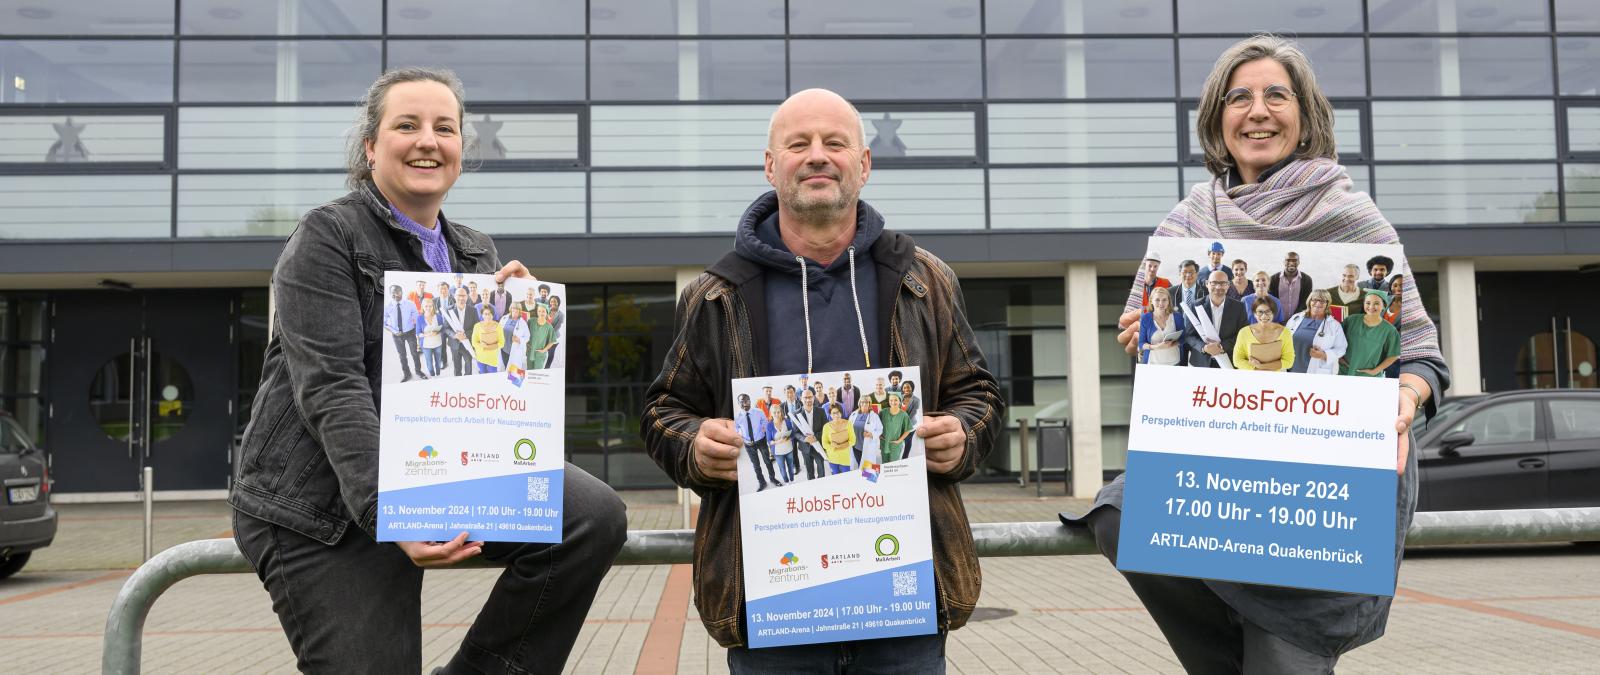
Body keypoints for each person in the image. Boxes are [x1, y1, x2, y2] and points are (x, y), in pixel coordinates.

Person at [229, 67, 626, 675]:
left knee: (591, 516)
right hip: (323, 505)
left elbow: (487, 397)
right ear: (370, 146)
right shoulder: (326, 237)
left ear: (461, 150)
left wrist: (523, 326)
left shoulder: (475, 250)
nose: (428, 141)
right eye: (406, 125)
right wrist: (393, 511)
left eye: (445, 128)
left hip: (438, 471)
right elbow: (333, 388)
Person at [1101, 35, 1450, 672]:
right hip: (1223, 458)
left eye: (1275, 96)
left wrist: (1409, 391)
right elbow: (1154, 341)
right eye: (1239, 98)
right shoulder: (1185, 221)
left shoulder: (1352, 216)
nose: (1257, 110)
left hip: (1322, 478)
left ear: (1304, 114)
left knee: (1282, 657)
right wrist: (1140, 335)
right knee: (1116, 514)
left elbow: (1424, 353)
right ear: (1217, 118)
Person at [640, 88, 1003, 673]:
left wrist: (962, 433)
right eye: (798, 144)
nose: (817, 156)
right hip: (773, 611)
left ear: (864, 164)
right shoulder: (715, 295)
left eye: (835, 143)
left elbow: (978, 394)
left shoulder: (924, 278)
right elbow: (663, 411)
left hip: (902, 605)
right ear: (770, 164)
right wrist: (694, 447)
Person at [1182, 271, 1249, 368]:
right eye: (1214, 283)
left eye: (1223, 283)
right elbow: (1189, 336)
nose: (1218, 287)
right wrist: (1204, 347)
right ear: (1207, 284)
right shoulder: (1195, 306)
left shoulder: (1239, 307)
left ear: (1228, 285)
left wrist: (1222, 346)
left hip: (1228, 361)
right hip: (1201, 363)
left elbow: (1242, 335)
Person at [1341, 288, 1402, 378]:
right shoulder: (1350, 320)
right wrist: (1338, 358)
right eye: (1368, 303)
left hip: (1369, 377)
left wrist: (1375, 371)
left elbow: (1394, 355)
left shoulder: (1390, 330)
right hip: (1344, 371)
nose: (1371, 306)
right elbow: (1335, 339)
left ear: (1384, 306)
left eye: (1376, 303)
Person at [1286, 289, 1347, 375]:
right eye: (1314, 300)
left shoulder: (1334, 325)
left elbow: (1341, 348)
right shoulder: (1296, 318)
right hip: (1291, 368)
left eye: (1322, 301)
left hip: (1316, 371)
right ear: (1309, 301)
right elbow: (1284, 339)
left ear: (1327, 304)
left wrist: (1324, 355)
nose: (1318, 303)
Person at [1234, 297, 1294, 372]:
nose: (1264, 316)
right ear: (1254, 314)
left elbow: (1289, 362)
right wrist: (1257, 369)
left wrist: (1261, 366)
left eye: (1268, 311)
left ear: (1273, 313)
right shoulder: (1244, 332)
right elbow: (1237, 360)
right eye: (1260, 312)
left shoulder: (1285, 332)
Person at [734, 394, 780, 491]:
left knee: (768, 461)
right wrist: (740, 433)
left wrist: (764, 427)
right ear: (738, 403)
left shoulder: (758, 412)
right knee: (756, 465)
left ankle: (773, 478)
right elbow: (736, 428)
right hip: (748, 445)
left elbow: (765, 421)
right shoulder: (737, 417)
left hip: (761, 441)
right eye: (742, 401)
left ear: (750, 401)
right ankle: (762, 482)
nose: (744, 403)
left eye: (746, 400)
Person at [383, 284, 424, 382]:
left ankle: (418, 371)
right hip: (397, 336)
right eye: (392, 293)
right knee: (402, 356)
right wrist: (393, 331)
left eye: (396, 292)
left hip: (410, 332)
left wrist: (416, 327)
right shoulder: (387, 307)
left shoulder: (410, 304)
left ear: (401, 292)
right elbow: (384, 323)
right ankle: (407, 374)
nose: (394, 295)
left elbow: (416, 317)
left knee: (414, 353)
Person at [1139, 285, 1187, 366]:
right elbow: (1141, 343)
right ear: (1151, 301)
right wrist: (1157, 347)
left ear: (1168, 301)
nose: (1161, 303)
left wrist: (1174, 343)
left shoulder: (1177, 316)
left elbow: (1184, 338)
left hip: (1174, 362)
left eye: (1164, 300)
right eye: (1157, 300)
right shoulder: (1145, 318)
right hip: (1152, 364)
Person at [786, 389, 828, 481]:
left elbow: (825, 429)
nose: (808, 400)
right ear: (801, 399)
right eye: (805, 398)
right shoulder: (796, 414)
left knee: (821, 469)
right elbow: (795, 433)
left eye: (810, 397)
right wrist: (804, 439)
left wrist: (815, 437)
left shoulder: (821, 411)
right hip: (805, 447)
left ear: (813, 398)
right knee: (809, 471)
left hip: (818, 445)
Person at [442, 286, 479, 376]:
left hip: (468, 343)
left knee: (468, 366)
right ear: (454, 296)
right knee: (457, 367)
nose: (461, 298)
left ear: (467, 297)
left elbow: (476, 327)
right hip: (454, 343)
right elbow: (446, 328)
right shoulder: (448, 310)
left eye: (464, 295)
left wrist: (465, 334)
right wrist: (455, 335)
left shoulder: (473, 310)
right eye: (459, 295)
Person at [1269, 250, 1313, 317]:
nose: (1291, 263)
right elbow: (1271, 300)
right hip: (1277, 319)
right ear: (1284, 262)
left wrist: (1296, 317)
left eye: (1294, 260)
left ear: (1299, 262)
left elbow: (1306, 301)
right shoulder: (1273, 279)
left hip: (1297, 319)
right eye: (1288, 260)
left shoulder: (1307, 280)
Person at [820, 403, 857, 475]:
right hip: (832, 458)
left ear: (841, 413)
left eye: (838, 412)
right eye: (833, 413)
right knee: (835, 480)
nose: (836, 415)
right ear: (830, 415)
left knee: (846, 478)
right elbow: (824, 444)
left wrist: (841, 445)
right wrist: (832, 445)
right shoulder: (826, 427)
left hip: (845, 458)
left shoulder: (848, 424)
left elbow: (853, 441)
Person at [849, 394, 883, 469]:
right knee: (858, 468)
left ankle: (867, 480)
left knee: (869, 472)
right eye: (862, 402)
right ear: (859, 403)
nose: (864, 404)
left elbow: (880, 429)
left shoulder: (874, 416)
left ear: (869, 404)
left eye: (867, 402)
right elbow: (849, 428)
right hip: (855, 447)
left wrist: (872, 434)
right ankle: (859, 480)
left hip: (868, 447)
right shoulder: (853, 414)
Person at [878, 392, 914, 463]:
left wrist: (899, 440)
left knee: (894, 465)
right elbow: (876, 425)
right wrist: (878, 435)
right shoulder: (883, 412)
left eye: (895, 400)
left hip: (895, 445)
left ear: (900, 401)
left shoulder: (904, 415)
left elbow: (908, 430)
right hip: (884, 443)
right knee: (884, 464)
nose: (893, 402)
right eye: (891, 400)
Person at [472, 296, 504, 373]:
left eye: (489, 314)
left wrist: (489, 347)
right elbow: (474, 342)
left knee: (492, 379)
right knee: (482, 378)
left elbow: (502, 343)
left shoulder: (498, 326)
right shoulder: (477, 326)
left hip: (493, 359)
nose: (487, 316)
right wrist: (482, 346)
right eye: (485, 314)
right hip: (480, 357)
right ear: (482, 315)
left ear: (493, 315)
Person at [418, 297, 446, 377]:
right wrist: (426, 335)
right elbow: (418, 333)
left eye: (430, 306)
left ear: (433, 306)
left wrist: (437, 332)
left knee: (438, 361)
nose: (428, 308)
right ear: (423, 307)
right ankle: (432, 375)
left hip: (438, 343)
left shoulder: (438, 316)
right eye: (426, 306)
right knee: (429, 362)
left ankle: (438, 374)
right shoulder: (420, 318)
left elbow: (443, 328)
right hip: (426, 345)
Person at [527, 304, 557, 369]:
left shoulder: (549, 327)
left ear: (547, 313)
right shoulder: (531, 321)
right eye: (539, 311)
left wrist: (544, 350)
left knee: (538, 373)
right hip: (530, 351)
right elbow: (525, 333)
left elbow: (552, 341)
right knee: (529, 372)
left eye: (543, 311)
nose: (541, 313)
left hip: (540, 354)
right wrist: (526, 343)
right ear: (537, 312)